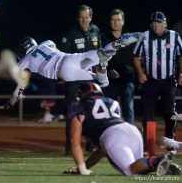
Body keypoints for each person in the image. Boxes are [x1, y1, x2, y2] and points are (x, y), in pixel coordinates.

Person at [0, 33, 143, 111]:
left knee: (101, 83)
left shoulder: (25, 62)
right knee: (103, 65)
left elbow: (19, 89)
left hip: (63, 71)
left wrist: (9, 104)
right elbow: (53, 48)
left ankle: (103, 66)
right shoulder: (46, 43)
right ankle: (106, 58)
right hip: (70, 58)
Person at [64, 82, 180, 176]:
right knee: (139, 168)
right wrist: (83, 166)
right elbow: (103, 148)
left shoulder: (79, 106)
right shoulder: (111, 101)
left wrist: (82, 169)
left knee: (130, 170)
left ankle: (158, 160)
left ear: (80, 95)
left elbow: (75, 142)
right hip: (131, 130)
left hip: (113, 135)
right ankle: (161, 164)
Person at [133, 11, 182, 151]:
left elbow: (181, 56)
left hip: (168, 80)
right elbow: (135, 56)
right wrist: (140, 73)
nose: (156, 26)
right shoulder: (144, 37)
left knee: (169, 113)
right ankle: (148, 145)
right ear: (150, 24)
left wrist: (181, 73)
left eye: (159, 23)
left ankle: (170, 142)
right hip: (151, 81)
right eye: (153, 23)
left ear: (165, 24)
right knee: (147, 114)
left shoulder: (174, 36)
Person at [60, 5, 102, 154]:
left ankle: (91, 143)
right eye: (81, 17)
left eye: (87, 17)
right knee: (72, 112)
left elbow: (100, 55)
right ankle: (70, 145)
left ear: (91, 17)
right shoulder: (70, 35)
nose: (84, 20)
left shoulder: (96, 31)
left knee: (92, 111)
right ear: (78, 18)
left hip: (91, 79)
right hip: (74, 80)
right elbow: (63, 58)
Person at [101, 9, 135, 124]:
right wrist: (109, 70)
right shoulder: (103, 38)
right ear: (109, 22)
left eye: (118, 20)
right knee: (110, 111)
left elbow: (135, 58)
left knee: (128, 111)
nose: (115, 22)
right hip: (109, 81)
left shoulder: (130, 38)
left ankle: (131, 138)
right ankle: (110, 137)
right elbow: (99, 58)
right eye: (113, 20)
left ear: (123, 22)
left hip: (127, 80)